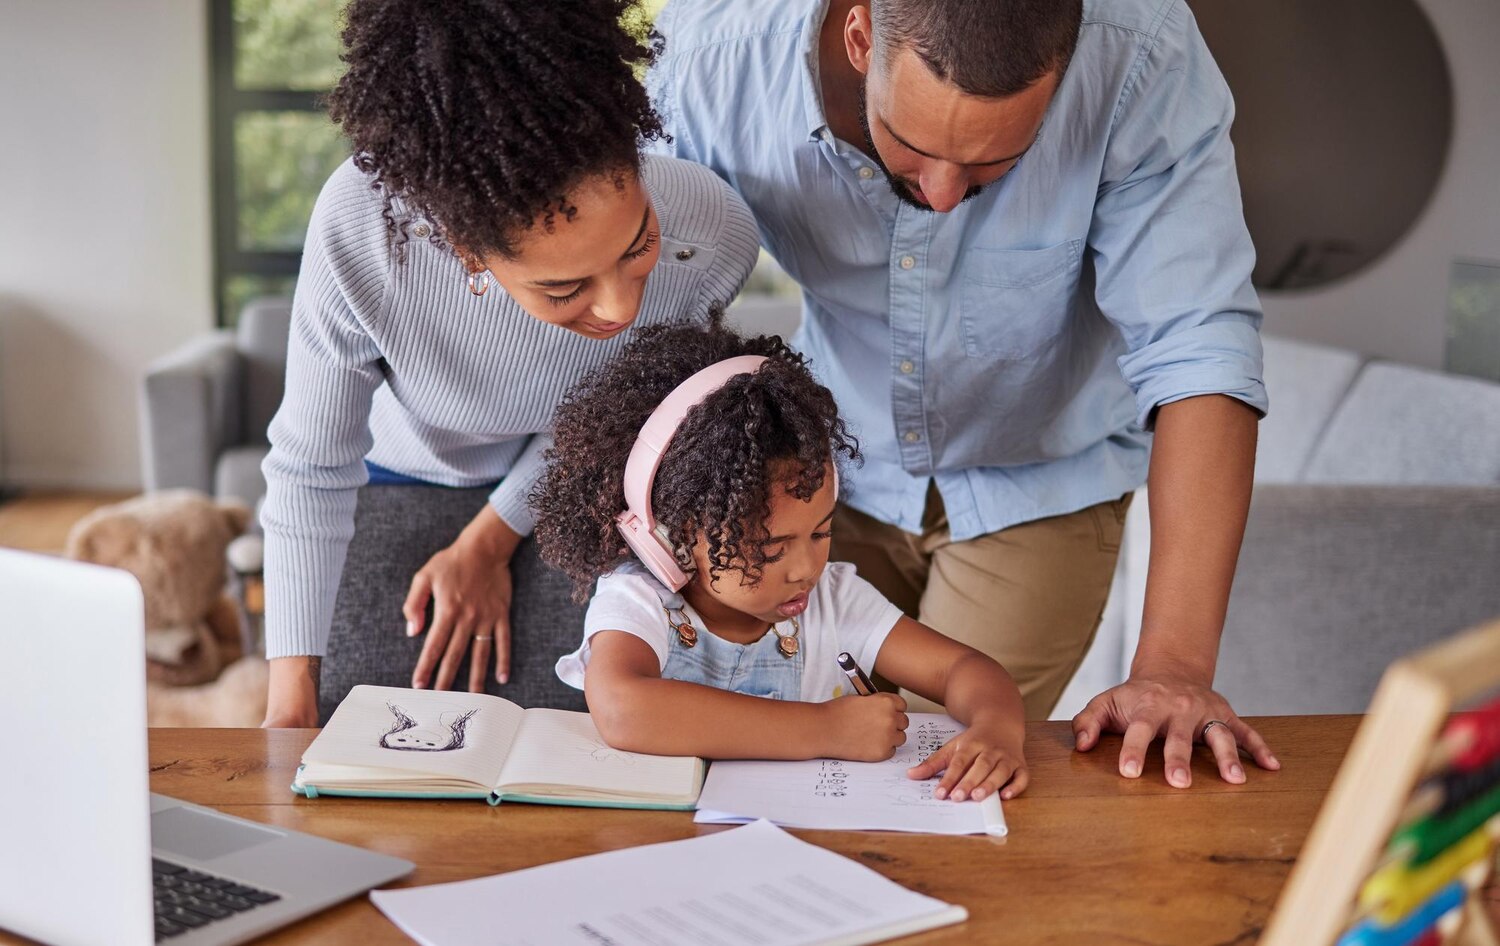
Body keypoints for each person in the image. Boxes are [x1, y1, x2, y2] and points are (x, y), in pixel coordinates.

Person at [646, 0, 1280, 788]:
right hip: (825, 469)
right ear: (860, 35)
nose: (945, 194)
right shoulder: (715, 60)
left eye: (991, 166)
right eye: (912, 150)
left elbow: (1199, 348)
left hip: (1041, 478)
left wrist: (1176, 664)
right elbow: (650, 308)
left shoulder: (1141, 56)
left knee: (934, 781)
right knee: (786, 763)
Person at [259, 0, 760, 726]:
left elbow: (627, 414)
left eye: (636, 244)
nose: (620, 308)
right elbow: (312, 466)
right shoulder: (361, 232)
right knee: (355, 714)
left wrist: (490, 539)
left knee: (591, 718)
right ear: (464, 251)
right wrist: (288, 702)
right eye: (563, 288)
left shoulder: (712, 234)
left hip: (591, 476)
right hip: (397, 473)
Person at [533, 317, 1030, 803]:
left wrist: (997, 727)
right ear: (679, 533)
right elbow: (623, 709)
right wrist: (821, 730)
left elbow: (962, 669)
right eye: (771, 549)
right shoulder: (639, 597)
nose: (806, 569)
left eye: (822, 532)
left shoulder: (834, 600)